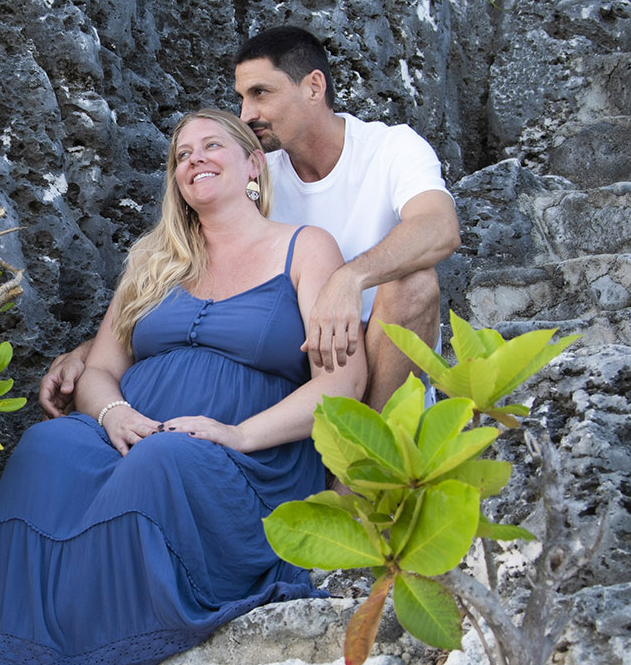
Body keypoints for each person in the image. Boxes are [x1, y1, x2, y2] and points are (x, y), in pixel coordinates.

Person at [0, 110, 366, 665]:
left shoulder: (305, 248)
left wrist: (238, 433)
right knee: (49, 447)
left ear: (253, 164)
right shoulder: (154, 259)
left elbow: (343, 379)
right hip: (134, 435)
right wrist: (111, 412)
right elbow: (102, 367)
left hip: (247, 462)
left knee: (164, 458)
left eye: (211, 145)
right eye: (182, 154)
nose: (193, 159)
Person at [42, 26, 459, 415]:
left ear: (314, 87)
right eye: (242, 97)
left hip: (377, 356)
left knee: (413, 283)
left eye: (260, 93)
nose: (246, 114)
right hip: (292, 365)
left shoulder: (390, 148)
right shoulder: (258, 176)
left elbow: (439, 228)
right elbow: (202, 280)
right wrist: (93, 352)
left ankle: (363, 469)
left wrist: (348, 280)